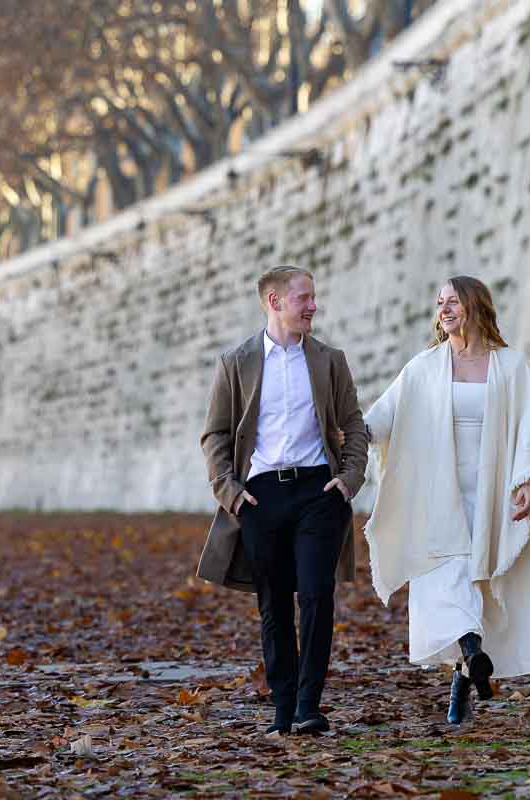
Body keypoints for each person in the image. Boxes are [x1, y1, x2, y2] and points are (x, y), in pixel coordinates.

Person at [361, 275, 530, 724]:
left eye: (453, 301)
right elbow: (382, 417)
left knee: (482, 584)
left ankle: (463, 680)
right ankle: (472, 652)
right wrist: (344, 430)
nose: (444, 309)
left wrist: (527, 483)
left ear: (475, 306)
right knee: (443, 575)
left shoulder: (510, 367)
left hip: (492, 492)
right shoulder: (424, 367)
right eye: (439, 302)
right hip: (438, 493)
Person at [197, 266, 370, 736]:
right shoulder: (237, 362)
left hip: (319, 492)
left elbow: (354, 425)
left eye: (313, 297)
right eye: (304, 298)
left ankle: (308, 705)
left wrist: (350, 478)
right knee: (273, 604)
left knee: (317, 594)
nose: (313, 306)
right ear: (274, 303)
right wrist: (230, 493)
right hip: (261, 496)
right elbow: (214, 434)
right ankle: (283, 705)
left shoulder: (330, 360)